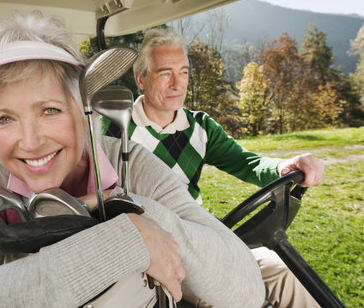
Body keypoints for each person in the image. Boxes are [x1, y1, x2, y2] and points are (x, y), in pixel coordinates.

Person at [0, 11, 266, 308]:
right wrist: (127, 241)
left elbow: (246, 290)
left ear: (84, 112)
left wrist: (136, 212)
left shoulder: (129, 162)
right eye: (3, 119)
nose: (29, 142)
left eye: (50, 110)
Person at [102, 27, 325, 308]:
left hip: (205, 236)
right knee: (229, 297)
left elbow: (247, 163)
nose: (177, 83)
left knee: (283, 271)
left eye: (183, 72)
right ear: (141, 79)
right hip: (153, 247)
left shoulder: (201, 127)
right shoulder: (113, 130)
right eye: (165, 72)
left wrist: (283, 165)